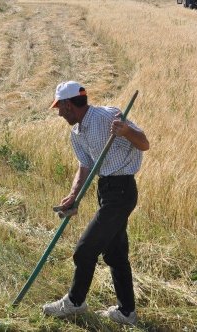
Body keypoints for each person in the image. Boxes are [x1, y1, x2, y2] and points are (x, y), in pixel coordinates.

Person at [42, 81, 149, 325]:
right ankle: (126, 312)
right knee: (115, 254)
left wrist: (125, 132)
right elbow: (85, 166)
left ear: (69, 105)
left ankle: (75, 303)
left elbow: (144, 143)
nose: (58, 113)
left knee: (84, 251)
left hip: (122, 192)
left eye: (59, 107)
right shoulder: (77, 132)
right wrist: (74, 196)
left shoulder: (108, 116)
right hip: (106, 191)